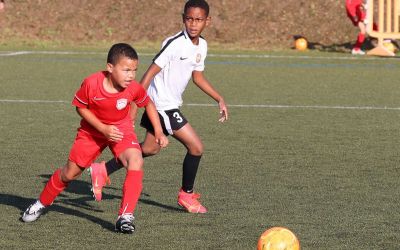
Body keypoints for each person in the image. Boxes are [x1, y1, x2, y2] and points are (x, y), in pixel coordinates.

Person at [89, 0, 228, 214]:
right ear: (183, 18)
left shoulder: (202, 46)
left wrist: (219, 97)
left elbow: (197, 77)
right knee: (196, 147)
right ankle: (186, 195)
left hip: (167, 104)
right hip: (161, 105)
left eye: (198, 20)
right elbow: (148, 74)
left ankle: (102, 169)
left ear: (207, 21)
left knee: (149, 149)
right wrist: (133, 108)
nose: (193, 24)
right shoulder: (174, 43)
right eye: (189, 19)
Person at [21, 43, 169, 234]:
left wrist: (158, 131)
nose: (131, 75)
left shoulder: (133, 88)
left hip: (121, 130)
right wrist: (103, 128)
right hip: (91, 132)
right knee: (70, 173)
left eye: (134, 70)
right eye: (126, 70)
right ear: (110, 68)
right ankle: (41, 202)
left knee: (136, 160)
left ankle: (125, 216)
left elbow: (148, 104)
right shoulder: (92, 83)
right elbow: (80, 107)